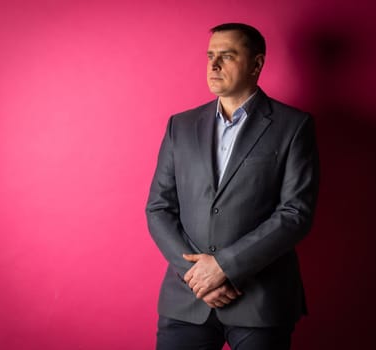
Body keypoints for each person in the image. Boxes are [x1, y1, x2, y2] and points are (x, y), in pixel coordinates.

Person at [146, 23, 320, 350]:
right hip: (187, 299)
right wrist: (197, 275)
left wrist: (225, 266)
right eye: (211, 55)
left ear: (257, 64)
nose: (213, 65)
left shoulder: (293, 126)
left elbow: (295, 213)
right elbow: (159, 207)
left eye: (226, 56)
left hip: (260, 300)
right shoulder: (180, 126)